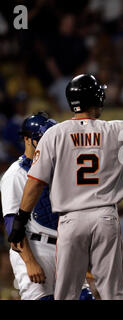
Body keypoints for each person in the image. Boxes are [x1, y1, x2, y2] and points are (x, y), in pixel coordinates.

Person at [8, 74, 123, 300]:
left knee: (67, 295)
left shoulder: (54, 134)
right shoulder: (116, 129)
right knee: (112, 293)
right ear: (96, 98)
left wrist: (20, 221)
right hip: (105, 218)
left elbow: (35, 183)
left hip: (70, 221)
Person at [0, 112, 93, 300]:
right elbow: (12, 223)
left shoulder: (59, 169)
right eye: (44, 137)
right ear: (27, 139)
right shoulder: (15, 174)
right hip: (35, 247)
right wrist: (30, 262)